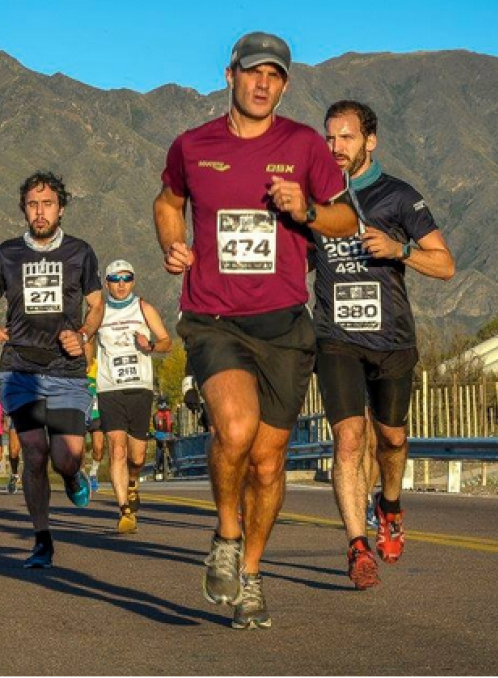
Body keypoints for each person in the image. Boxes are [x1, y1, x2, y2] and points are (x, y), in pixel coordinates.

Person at [153, 32, 357, 629]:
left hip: (285, 326)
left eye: (274, 75)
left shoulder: (303, 146)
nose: (262, 83)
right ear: (230, 76)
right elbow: (168, 203)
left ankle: (251, 576)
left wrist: (307, 210)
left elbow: (346, 218)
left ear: (285, 85)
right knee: (235, 430)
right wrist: (173, 243)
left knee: (269, 465)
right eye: (252, 72)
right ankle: (225, 534)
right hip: (214, 318)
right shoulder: (193, 146)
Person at [316, 100, 455, 589]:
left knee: (392, 438)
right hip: (335, 340)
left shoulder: (398, 197)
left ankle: (390, 505)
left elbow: (445, 263)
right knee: (349, 441)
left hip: (392, 340)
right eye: (330, 138)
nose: (336, 148)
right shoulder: (317, 202)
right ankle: (356, 547)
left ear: (370, 141)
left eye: (346, 137)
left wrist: (401, 250)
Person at [0, 170, 104, 569]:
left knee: (66, 457)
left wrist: (83, 333)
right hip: (19, 370)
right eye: (33, 204)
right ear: (24, 209)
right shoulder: (6, 254)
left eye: (47, 203)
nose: (40, 211)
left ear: (61, 208)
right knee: (33, 453)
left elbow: (97, 304)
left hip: (67, 369)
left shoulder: (81, 253)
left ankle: (71, 476)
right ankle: (42, 539)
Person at [94, 259, 172, 533]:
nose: (121, 284)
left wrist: (149, 345)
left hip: (140, 387)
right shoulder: (98, 311)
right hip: (109, 388)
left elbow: (167, 341)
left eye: (126, 278)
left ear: (133, 281)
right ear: (106, 283)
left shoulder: (143, 308)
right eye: (115, 279)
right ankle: (124, 510)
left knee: (137, 458)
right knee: (117, 449)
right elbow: (82, 338)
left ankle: (133, 481)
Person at [84, 352, 105, 492]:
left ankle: (93, 473)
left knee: (98, 448)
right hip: (80, 412)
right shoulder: (73, 363)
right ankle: (81, 475)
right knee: (78, 449)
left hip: (96, 413)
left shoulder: (99, 364)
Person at [152, 398, 176, 479]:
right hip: (169, 436)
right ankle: (172, 463)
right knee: (171, 448)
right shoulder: (171, 414)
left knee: (159, 449)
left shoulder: (156, 415)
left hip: (159, 436)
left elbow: (155, 426)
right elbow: (173, 425)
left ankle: (157, 466)